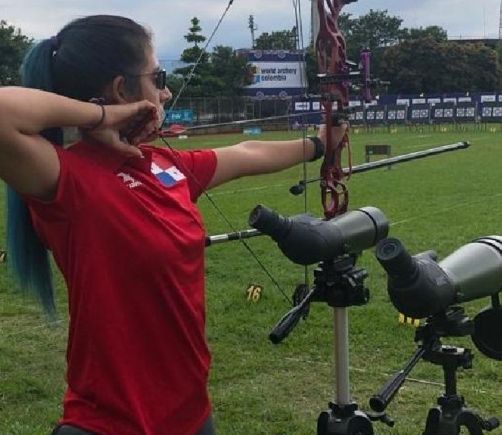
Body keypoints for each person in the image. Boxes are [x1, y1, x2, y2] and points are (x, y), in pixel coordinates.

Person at [0, 15, 347, 435]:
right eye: (157, 77)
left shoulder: (164, 165)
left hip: (191, 414)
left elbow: (245, 154)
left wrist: (319, 144)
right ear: (121, 89)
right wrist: (103, 116)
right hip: (112, 423)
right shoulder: (68, 178)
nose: (165, 91)